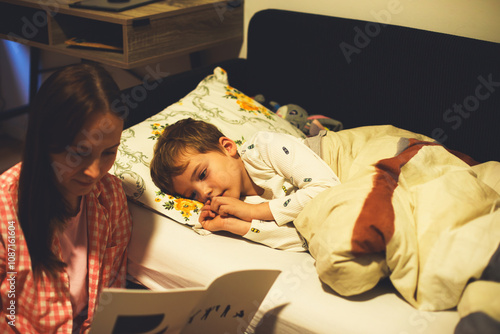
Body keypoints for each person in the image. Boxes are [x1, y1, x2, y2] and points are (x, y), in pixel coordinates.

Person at [0, 63, 132, 333]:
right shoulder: (6, 210)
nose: (94, 172)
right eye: (79, 152)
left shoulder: (111, 196)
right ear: (46, 141)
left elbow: (110, 297)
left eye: (108, 152)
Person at [150, 118, 341, 251]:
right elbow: (306, 240)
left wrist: (253, 212)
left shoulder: (263, 147)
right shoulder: (244, 204)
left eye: (202, 174)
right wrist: (231, 224)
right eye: (192, 195)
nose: (204, 193)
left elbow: (327, 191)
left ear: (228, 147)